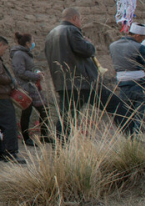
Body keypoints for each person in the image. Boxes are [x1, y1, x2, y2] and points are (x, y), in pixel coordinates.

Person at [44, 7, 124, 137]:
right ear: (75, 18)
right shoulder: (72, 30)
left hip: (64, 84)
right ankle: (131, 138)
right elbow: (85, 50)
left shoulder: (51, 34)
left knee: (67, 118)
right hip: (84, 82)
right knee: (117, 106)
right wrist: (89, 43)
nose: (80, 22)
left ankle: (60, 148)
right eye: (80, 19)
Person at [109, 23, 145, 134]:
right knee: (141, 117)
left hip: (123, 87)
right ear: (137, 35)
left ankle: (130, 140)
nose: (142, 40)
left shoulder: (113, 46)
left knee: (127, 116)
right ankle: (139, 139)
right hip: (140, 86)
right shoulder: (139, 47)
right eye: (142, 38)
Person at [0, 36, 25, 164]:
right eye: (4, 48)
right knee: (9, 125)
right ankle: (11, 153)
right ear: (0, 45)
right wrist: (10, 80)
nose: (4, 51)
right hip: (2, 97)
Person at [10, 33, 51, 146]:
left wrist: (37, 73)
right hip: (26, 88)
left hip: (32, 88)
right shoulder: (19, 54)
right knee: (28, 112)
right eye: (32, 41)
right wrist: (36, 76)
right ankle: (26, 138)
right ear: (27, 43)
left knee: (44, 110)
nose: (34, 43)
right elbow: (20, 72)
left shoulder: (24, 54)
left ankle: (43, 135)